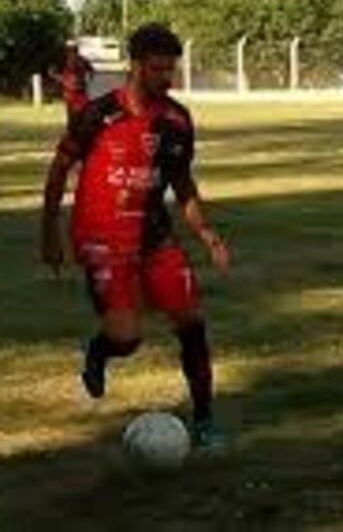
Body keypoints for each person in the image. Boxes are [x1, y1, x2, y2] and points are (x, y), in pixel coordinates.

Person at [40, 23, 230, 449]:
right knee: (126, 339)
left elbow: (182, 185)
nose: (166, 78)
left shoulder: (177, 121)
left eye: (171, 70)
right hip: (100, 240)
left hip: (154, 237)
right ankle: (99, 351)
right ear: (136, 65)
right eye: (158, 69)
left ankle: (204, 421)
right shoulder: (98, 114)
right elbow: (58, 170)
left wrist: (207, 234)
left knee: (192, 324)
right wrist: (49, 232)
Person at [49, 41, 95, 124]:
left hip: (75, 91)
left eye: (73, 50)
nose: (72, 52)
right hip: (74, 91)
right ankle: (75, 128)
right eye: (71, 50)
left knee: (77, 112)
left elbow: (91, 70)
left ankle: (75, 128)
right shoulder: (80, 60)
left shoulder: (78, 60)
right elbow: (91, 71)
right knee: (76, 112)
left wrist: (56, 77)